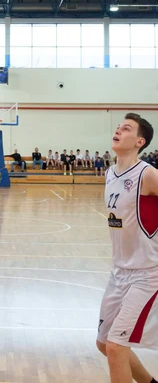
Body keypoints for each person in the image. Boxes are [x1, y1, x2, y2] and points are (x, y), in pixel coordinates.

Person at [95, 113, 158, 383]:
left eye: (127, 128)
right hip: (118, 272)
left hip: (146, 275)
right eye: (119, 126)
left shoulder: (148, 174)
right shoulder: (110, 172)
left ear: (139, 141)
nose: (118, 130)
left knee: (117, 347)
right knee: (104, 344)